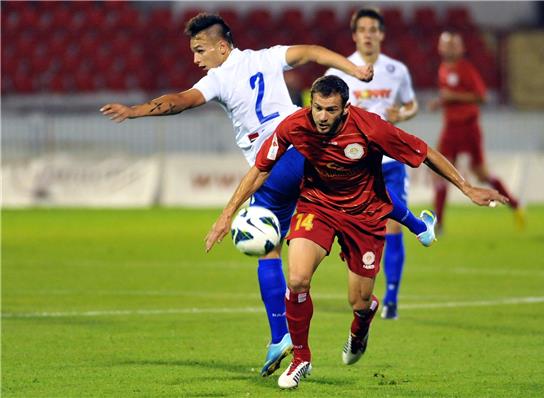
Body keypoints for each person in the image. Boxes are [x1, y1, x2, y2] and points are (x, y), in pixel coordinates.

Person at [99, 13, 374, 377]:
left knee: (266, 244)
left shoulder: (220, 77)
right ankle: (358, 296)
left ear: (222, 46)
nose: (196, 59)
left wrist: (135, 111)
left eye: (200, 50)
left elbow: (181, 100)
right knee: (317, 231)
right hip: (311, 153)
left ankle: (281, 336)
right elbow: (312, 52)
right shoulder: (267, 57)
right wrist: (353, 70)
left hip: (277, 166)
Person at [205, 75, 508, 389]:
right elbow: (260, 169)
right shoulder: (295, 125)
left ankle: (362, 324)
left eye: (330, 110)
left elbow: (425, 152)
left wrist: (467, 187)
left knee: (359, 301)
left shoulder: (371, 128)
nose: (322, 117)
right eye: (318, 108)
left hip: (364, 216)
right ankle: (301, 358)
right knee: (296, 279)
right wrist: (226, 215)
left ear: (345, 109)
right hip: (316, 206)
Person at [326, 8, 435, 321]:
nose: (368, 34)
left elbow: (410, 102)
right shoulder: (343, 70)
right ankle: (361, 288)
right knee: (355, 228)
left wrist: (407, 114)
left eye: (374, 29)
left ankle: (391, 297)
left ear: (381, 35)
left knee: (391, 223)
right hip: (354, 163)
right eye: (363, 29)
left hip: (389, 160)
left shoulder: (396, 70)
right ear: (355, 35)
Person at [428, 31, 524, 232]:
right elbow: (449, 96)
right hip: (451, 127)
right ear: (440, 48)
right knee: (441, 171)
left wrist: (451, 96)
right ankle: (439, 223)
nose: (449, 48)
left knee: (481, 173)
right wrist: (441, 101)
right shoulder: (443, 69)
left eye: (453, 45)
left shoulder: (466, 69)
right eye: (446, 45)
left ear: (462, 48)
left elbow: (482, 96)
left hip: (469, 126)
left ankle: (514, 204)